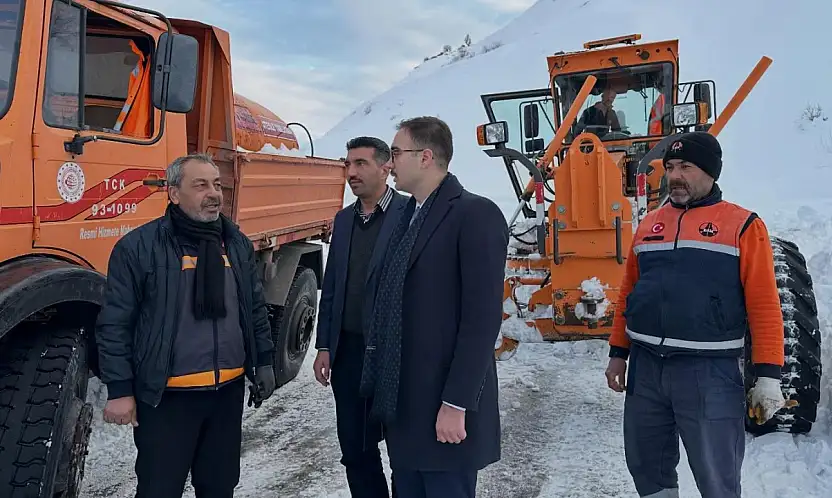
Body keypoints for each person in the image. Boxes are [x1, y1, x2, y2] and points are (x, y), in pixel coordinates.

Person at [604, 131, 788, 498]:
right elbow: (629, 293)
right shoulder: (649, 224)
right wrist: (618, 353)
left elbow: (764, 304)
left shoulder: (743, 225)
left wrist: (769, 375)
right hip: (646, 369)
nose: (675, 175)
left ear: (710, 172)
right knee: (646, 465)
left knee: (716, 474)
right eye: (671, 167)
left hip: (709, 371)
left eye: (685, 167)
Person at [95, 153, 277, 498]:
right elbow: (115, 323)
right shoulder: (138, 248)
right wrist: (120, 389)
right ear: (174, 193)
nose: (214, 194)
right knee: (159, 489)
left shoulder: (235, 244)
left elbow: (254, 307)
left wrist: (264, 361)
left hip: (226, 394)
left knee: (219, 487)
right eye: (201, 185)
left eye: (217, 185)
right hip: (168, 399)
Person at [359, 116, 508, 498]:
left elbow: (481, 320)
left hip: (444, 409)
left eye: (395, 153)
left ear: (425, 157)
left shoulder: (475, 215)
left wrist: (456, 403)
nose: (388, 163)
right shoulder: (404, 217)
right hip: (404, 409)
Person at [312, 136, 407, 497]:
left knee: (401, 449)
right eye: (348, 164)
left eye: (361, 164)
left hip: (393, 353)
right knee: (355, 448)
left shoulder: (409, 214)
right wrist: (324, 345)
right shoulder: (343, 219)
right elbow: (332, 287)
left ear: (386, 167)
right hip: (349, 353)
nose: (351, 172)